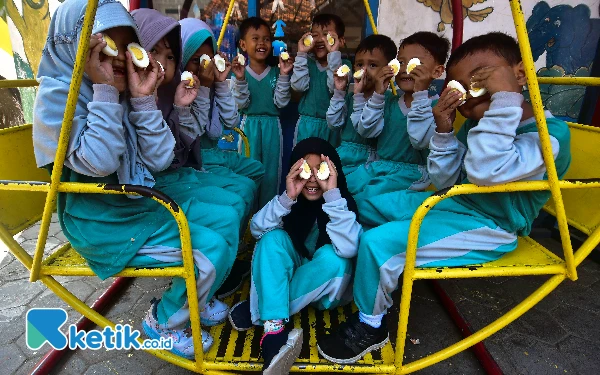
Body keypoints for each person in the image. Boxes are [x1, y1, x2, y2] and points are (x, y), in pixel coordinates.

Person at [317, 32, 571, 364]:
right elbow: (445, 178)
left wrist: (506, 96)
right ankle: (348, 274)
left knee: (380, 244)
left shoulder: (549, 135)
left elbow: (486, 169)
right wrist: (445, 130)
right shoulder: (477, 124)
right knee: (361, 206)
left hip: (491, 225)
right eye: (459, 86)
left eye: (480, 79)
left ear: (519, 74)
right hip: (451, 202)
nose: (467, 94)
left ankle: (371, 325)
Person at [33, 0, 236, 358]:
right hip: (100, 223)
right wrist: (106, 90)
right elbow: (99, 161)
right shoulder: (56, 98)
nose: (116, 57)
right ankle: (163, 319)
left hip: (136, 202)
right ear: (73, 45)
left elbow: (159, 159)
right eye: (103, 45)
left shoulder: (126, 92)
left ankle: (193, 299)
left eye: (125, 47)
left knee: (226, 218)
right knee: (209, 250)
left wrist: (143, 101)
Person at [132, 8, 251, 301]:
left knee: (249, 182)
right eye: (193, 59)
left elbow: (222, 125)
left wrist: (216, 85)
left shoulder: (182, 89)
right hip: (171, 176)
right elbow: (198, 140)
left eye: (170, 56)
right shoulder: (141, 96)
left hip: (183, 164)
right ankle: (206, 279)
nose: (199, 66)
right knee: (236, 196)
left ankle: (222, 265)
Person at [227, 137, 362, 374]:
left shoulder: (342, 203)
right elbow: (256, 229)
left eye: (320, 171)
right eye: (304, 171)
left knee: (335, 258)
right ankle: (274, 332)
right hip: (297, 268)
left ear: (333, 173)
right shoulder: (290, 201)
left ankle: (262, 308)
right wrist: (287, 198)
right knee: (271, 239)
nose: (311, 179)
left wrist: (332, 196)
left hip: (326, 292)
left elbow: (349, 249)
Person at [349, 32, 450, 201]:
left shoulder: (438, 109)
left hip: (410, 176)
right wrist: (379, 94)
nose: (404, 69)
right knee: (341, 188)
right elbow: (366, 131)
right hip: (378, 168)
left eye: (415, 63)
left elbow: (421, 141)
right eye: (401, 62)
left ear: (437, 71)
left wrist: (420, 93)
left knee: (364, 201)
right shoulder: (388, 101)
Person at [231, 17, 292, 208]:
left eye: (266, 39)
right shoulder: (239, 73)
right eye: (255, 38)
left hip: (273, 128)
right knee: (247, 174)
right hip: (249, 127)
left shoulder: (276, 72)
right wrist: (240, 79)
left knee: (271, 175)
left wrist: (283, 76)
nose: (261, 43)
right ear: (243, 44)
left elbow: (281, 103)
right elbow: (241, 104)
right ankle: (246, 220)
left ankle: (266, 219)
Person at [326, 34, 391, 186]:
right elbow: (333, 123)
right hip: (344, 157)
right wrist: (339, 92)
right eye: (359, 65)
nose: (364, 71)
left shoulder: (388, 101)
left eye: (373, 65)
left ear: (388, 69)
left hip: (368, 164)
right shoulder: (349, 96)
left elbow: (367, 129)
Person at [291, 13, 350, 146]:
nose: (320, 39)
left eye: (327, 35)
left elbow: (333, 86)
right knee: (303, 164)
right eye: (315, 35)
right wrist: (301, 54)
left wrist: (334, 54)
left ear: (341, 41)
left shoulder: (345, 66)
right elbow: (299, 86)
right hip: (306, 125)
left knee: (328, 165)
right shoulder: (306, 62)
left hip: (331, 127)